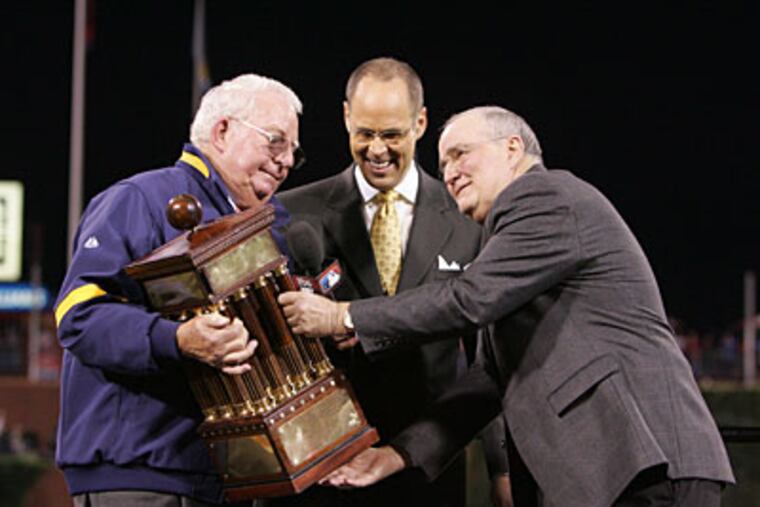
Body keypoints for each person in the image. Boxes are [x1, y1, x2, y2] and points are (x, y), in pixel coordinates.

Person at [278, 106, 735, 506]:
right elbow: (487, 381)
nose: (450, 171)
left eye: (461, 153)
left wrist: (343, 315)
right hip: (616, 471)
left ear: (513, 148)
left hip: (642, 461)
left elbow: (467, 299)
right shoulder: (511, 248)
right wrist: (397, 455)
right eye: (442, 162)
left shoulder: (545, 197)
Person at [54, 73, 303, 506]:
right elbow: (78, 317)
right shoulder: (140, 199)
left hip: (234, 478)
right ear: (222, 131)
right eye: (275, 142)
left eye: (293, 154)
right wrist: (177, 339)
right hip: (141, 474)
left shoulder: (271, 225)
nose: (284, 162)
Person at [274, 57, 510, 506]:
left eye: (392, 134)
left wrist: (501, 469)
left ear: (420, 123)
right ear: (345, 117)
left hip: (428, 471)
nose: (377, 150)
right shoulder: (290, 215)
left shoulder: (468, 220)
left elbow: (489, 360)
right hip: (319, 472)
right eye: (364, 133)